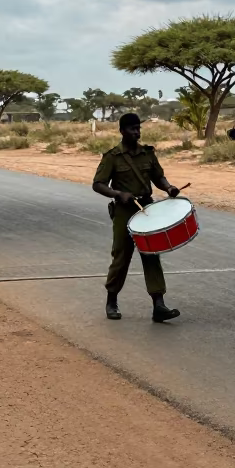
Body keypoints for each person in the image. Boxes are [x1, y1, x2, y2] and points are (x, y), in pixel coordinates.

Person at [92, 113, 183, 322]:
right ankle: (111, 300)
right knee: (121, 256)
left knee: (152, 255)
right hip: (125, 211)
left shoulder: (147, 154)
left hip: (147, 209)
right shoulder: (112, 157)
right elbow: (98, 184)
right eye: (132, 129)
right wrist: (118, 194)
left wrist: (169, 187)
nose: (137, 132)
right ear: (122, 131)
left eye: (138, 128)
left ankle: (158, 305)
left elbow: (158, 176)